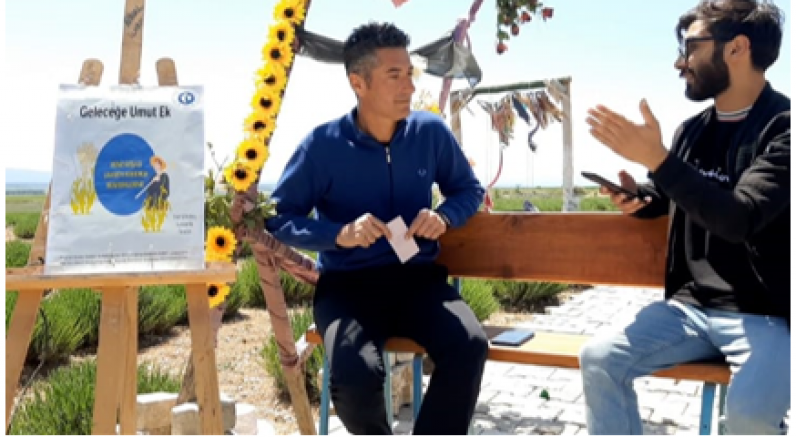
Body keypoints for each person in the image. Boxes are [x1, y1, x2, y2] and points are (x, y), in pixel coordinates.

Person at [264, 22, 488, 435]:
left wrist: (444, 217)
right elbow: (279, 218)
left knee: (469, 345)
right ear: (358, 83)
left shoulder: (430, 133)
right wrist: (339, 234)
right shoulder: (322, 145)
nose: (409, 86)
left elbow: (468, 189)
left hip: (418, 282)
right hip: (348, 288)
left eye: (409, 74)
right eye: (394, 75)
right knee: (355, 375)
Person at [579, 0, 790, 434]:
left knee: (750, 417)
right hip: (688, 310)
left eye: (691, 47)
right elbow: (681, 193)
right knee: (599, 359)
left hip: (764, 316)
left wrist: (658, 159)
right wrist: (644, 197)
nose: (680, 62)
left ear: (737, 48)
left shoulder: (783, 129)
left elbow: (739, 217)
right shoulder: (691, 131)